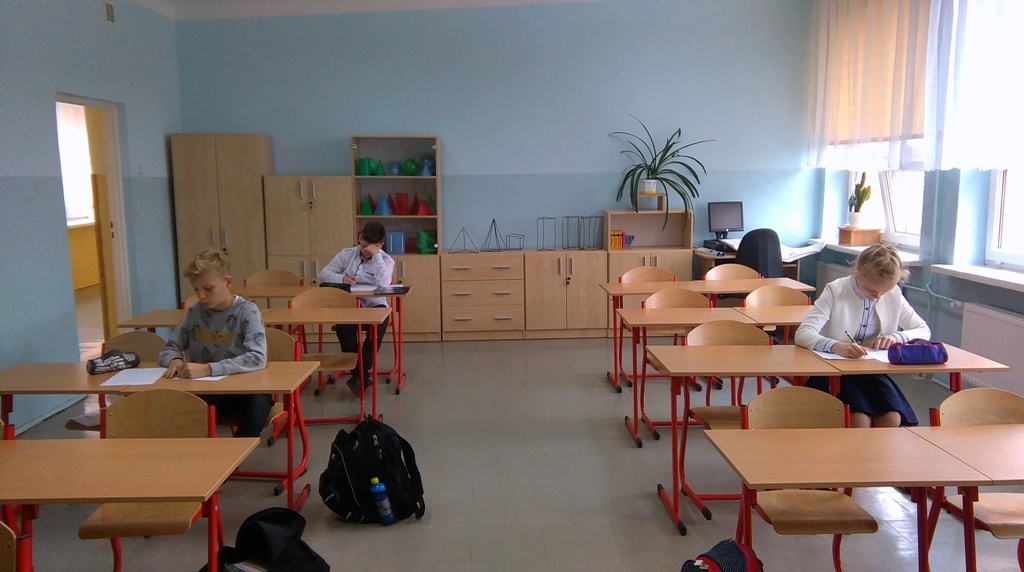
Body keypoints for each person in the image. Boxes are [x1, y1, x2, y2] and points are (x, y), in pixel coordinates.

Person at [795, 244, 930, 428]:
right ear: (857, 273)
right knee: (858, 420)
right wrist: (837, 346)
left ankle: (875, 449)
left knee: (892, 418)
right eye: (871, 291)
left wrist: (895, 337)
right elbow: (803, 333)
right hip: (835, 371)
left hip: (870, 372)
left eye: (884, 292)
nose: (877, 297)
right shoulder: (835, 290)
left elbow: (923, 330)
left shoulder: (893, 294)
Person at [159, 249, 270, 437]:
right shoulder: (194, 312)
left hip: (242, 390)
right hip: (203, 389)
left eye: (208, 288)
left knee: (258, 404)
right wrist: (175, 360)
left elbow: (257, 358)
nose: (201, 296)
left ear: (228, 282)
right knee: (168, 406)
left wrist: (208, 369)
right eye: (196, 289)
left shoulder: (247, 311)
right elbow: (171, 347)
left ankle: (235, 452)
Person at [318, 221, 395, 397]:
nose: (366, 250)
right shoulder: (347, 254)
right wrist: (341, 279)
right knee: (343, 326)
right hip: (349, 304)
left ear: (381, 245)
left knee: (381, 322)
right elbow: (324, 273)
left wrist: (376, 256)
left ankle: (359, 372)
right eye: (364, 245)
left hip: (374, 304)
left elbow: (384, 283)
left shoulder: (385, 260)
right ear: (360, 238)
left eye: (373, 247)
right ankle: (361, 374)